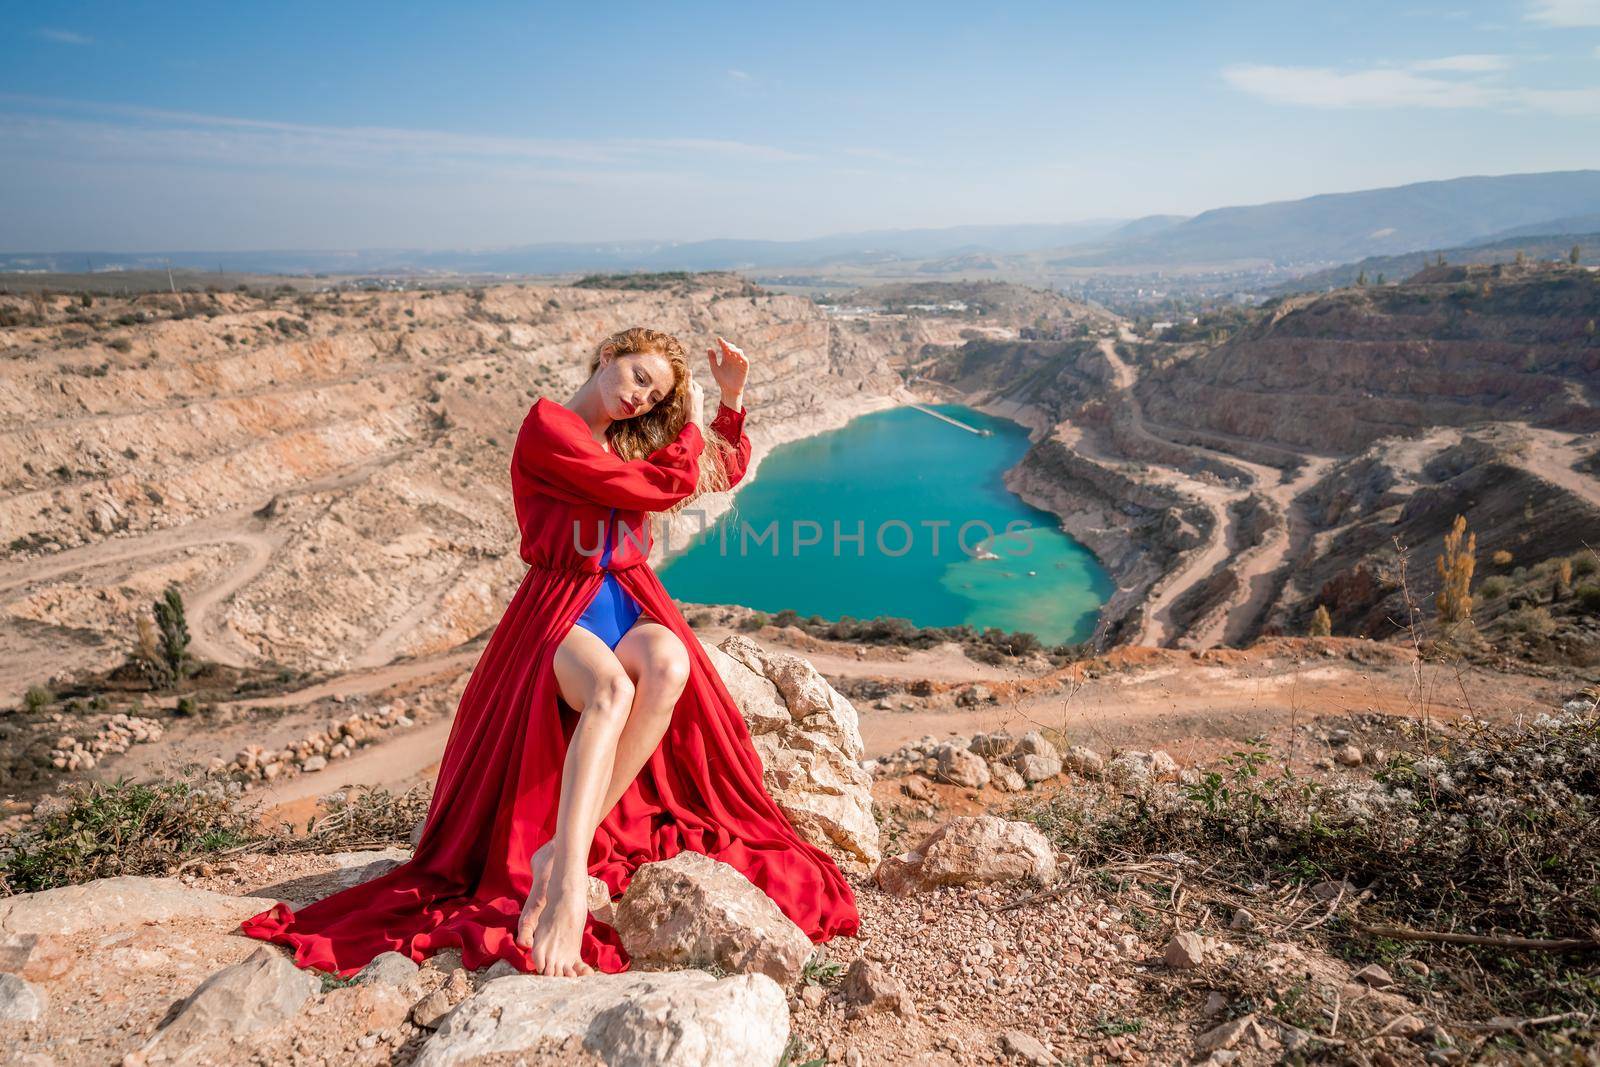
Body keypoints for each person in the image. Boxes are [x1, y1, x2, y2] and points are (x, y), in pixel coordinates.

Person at [238, 326, 861, 978]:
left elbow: (718, 470)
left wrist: (731, 401)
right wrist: (691, 424)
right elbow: (653, 490)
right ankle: (566, 878)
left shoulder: (623, 441)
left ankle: (568, 842)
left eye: (653, 395)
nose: (639, 397)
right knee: (611, 690)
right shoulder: (548, 427)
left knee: (671, 663)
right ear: (606, 355)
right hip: (561, 604)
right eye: (637, 376)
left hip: (623, 595)